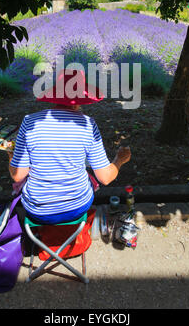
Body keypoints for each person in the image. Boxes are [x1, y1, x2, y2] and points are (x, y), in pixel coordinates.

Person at [7, 69, 131, 225]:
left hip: (37, 209)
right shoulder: (88, 124)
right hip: (77, 207)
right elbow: (105, 178)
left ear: (55, 95)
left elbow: (17, 175)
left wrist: (11, 154)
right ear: (81, 97)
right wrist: (119, 160)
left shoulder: (30, 121)